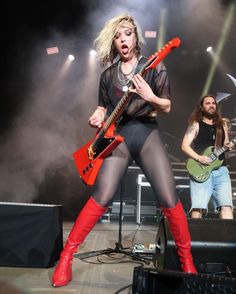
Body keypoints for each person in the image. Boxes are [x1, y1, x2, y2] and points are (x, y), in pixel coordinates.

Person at [52, 13, 197, 287]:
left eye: (127, 33)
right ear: (114, 42)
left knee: (168, 197)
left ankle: (187, 262)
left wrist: (149, 96)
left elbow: (166, 106)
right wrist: (96, 116)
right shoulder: (108, 74)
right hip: (118, 134)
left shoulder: (154, 66)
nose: (122, 40)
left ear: (136, 37)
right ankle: (66, 259)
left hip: (146, 131)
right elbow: (102, 107)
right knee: (102, 195)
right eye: (117, 36)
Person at [181, 94, 234, 219]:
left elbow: (225, 145)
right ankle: (196, 238)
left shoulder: (223, 125)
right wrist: (199, 158)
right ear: (202, 107)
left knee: (226, 206)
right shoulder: (196, 124)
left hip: (221, 170)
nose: (211, 105)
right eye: (208, 103)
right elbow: (184, 146)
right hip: (201, 169)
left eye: (213, 103)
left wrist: (229, 146)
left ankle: (227, 238)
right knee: (198, 207)